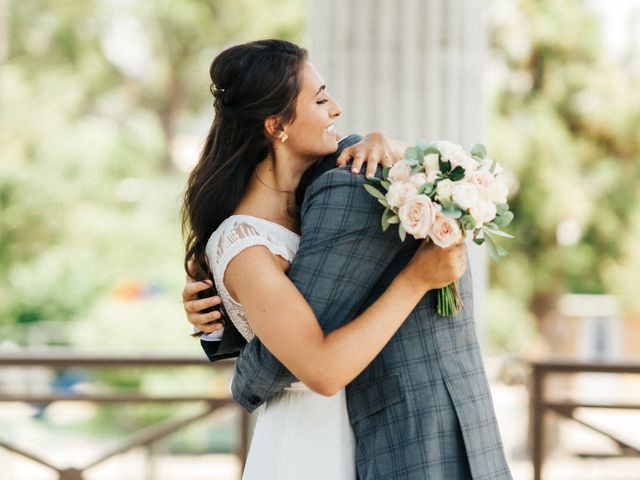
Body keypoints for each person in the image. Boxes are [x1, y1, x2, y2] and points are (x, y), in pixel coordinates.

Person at [183, 39, 511, 479]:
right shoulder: (244, 244)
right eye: (320, 100)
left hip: (371, 430)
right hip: (310, 440)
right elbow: (321, 370)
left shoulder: (317, 201)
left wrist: (389, 148)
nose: (336, 108)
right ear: (276, 125)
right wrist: (417, 280)